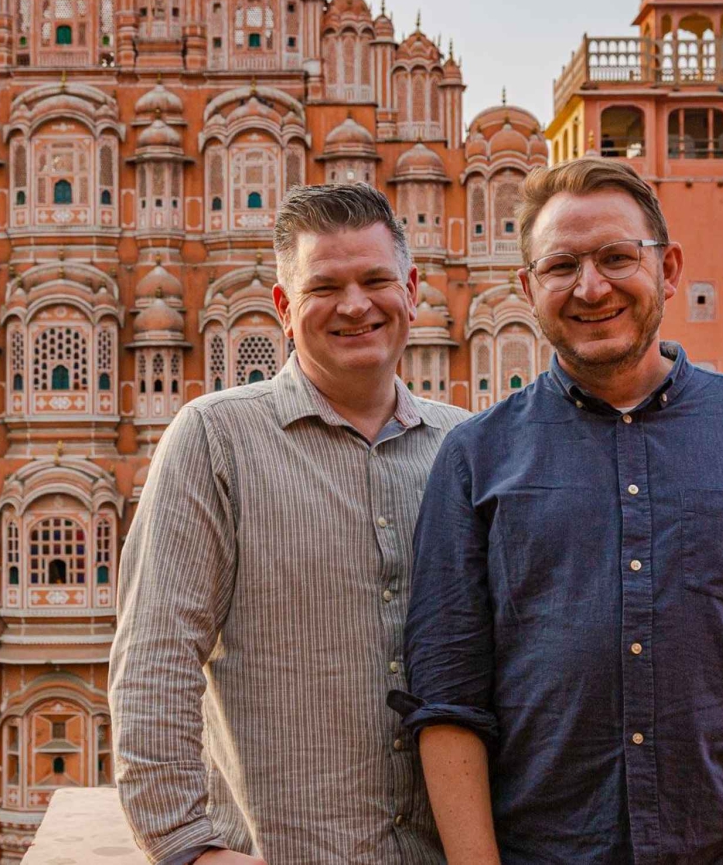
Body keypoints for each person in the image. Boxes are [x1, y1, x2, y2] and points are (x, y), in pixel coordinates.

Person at [393, 156, 723, 864]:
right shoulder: (478, 456)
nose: (591, 287)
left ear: (669, 268)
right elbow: (448, 696)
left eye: (617, 257)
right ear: (529, 289)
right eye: (561, 266)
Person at [111, 182, 469, 865]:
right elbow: (156, 653)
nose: (355, 305)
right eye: (324, 287)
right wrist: (185, 846)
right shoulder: (217, 440)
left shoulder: (465, 447)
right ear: (283, 306)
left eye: (375, 280)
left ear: (411, 290)